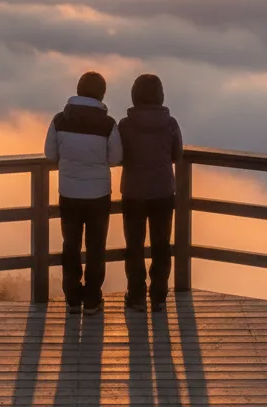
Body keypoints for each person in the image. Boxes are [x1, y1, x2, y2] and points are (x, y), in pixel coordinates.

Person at [44, 71, 122, 315]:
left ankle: (72, 299)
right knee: (96, 246)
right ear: (101, 94)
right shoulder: (108, 124)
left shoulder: (60, 120)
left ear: (78, 90)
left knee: (71, 245)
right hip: (98, 195)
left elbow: (50, 154)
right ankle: (92, 300)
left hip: (69, 193)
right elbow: (116, 157)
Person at [119, 73, 183, 313]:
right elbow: (177, 155)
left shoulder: (125, 125)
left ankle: (136, 296)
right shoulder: (171, 124)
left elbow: (118, 155)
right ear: (160, 95)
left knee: (134, 245)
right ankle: (158, 297)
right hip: (163, 192)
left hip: (133, 192)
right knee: (161, 245)